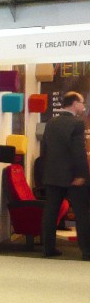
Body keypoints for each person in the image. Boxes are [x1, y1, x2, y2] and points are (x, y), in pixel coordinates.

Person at [40, 91, 90, 260]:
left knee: (50, 212)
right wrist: (82, 174)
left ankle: (48, 248)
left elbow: (45, 149)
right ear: (74, 103)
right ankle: (87, 251)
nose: (83, 107)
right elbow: (78, 151)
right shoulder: (77, 123)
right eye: (82, 103)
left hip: (52, 175)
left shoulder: (50, 122)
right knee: (82, 213)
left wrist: (47, 171)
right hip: (73, 177)